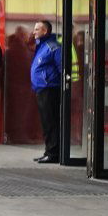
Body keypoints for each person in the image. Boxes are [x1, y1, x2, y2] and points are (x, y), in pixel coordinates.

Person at [30, 20, 63, 163]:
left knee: (51, 122)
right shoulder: (42, 45)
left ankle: (53, 153)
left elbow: (61, 66)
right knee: (46, 122)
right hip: (41, 89)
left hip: (49, 89)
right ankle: (48, 151)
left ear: (45, 31)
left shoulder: (53, 46)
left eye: (37, 29)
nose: (34, 32)